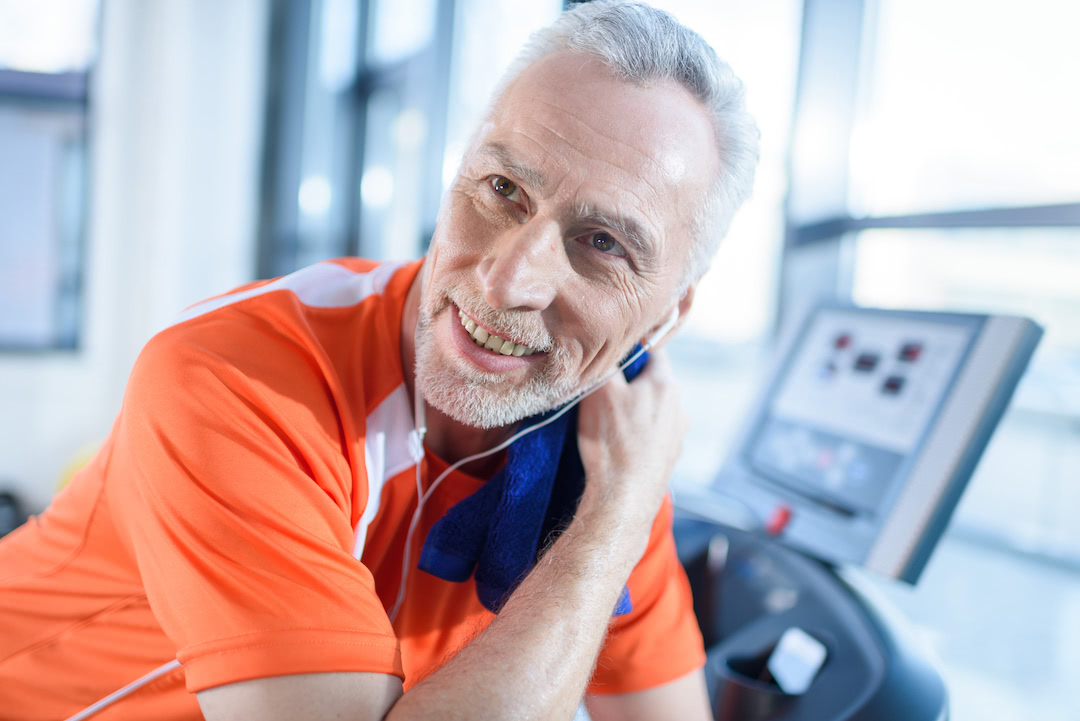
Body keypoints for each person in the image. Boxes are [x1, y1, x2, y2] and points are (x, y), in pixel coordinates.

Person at [0, 1, 758, 718]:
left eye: (603, 243)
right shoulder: (235, 377)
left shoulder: (610, 459)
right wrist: (609, 530)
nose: (506, 279)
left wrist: (617, 511)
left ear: (664, 318)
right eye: (501, 189)